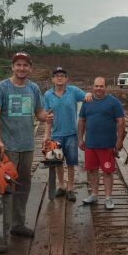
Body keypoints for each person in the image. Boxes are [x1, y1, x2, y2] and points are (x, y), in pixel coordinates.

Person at [0, 52, 53, 239]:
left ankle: (18, 224)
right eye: (18, 65)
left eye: (25, 65)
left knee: (24, 186)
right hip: (7, 149)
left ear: (30, 68)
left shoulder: (33, 88)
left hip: (27, 146)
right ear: (12, 67)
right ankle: (2, 232)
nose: (22, 68)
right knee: (4, 189)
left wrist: (45, 117)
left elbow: (39, 112)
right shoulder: (1, 88)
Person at [43, 67, 91, 202]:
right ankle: (61, 185)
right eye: (57, 75)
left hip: (71, 134)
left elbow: (87, 97)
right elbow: (47, 117)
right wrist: (46, 135)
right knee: (57, 162)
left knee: (71, 162)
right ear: (52, 79)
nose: (59, 77)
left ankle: (70, 188)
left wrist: (88, 94)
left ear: (66, 78)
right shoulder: (47, 95)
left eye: (62, 75)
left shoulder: (73, 91)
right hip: (55, 134)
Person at [78, 77, 125, 210]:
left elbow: (121, 121)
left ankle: (108, 198)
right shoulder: (87, 101)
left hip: (107, 145)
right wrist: (80, 139)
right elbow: (81, 120)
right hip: (91, 144)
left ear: (106, 87)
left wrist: (119, 140)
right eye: (96, 86)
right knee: (92, 170)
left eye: (101, 86)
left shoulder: (113, 102)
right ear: (93, 86)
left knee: (107, 172)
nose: (99, 88)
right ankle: (94, 194)